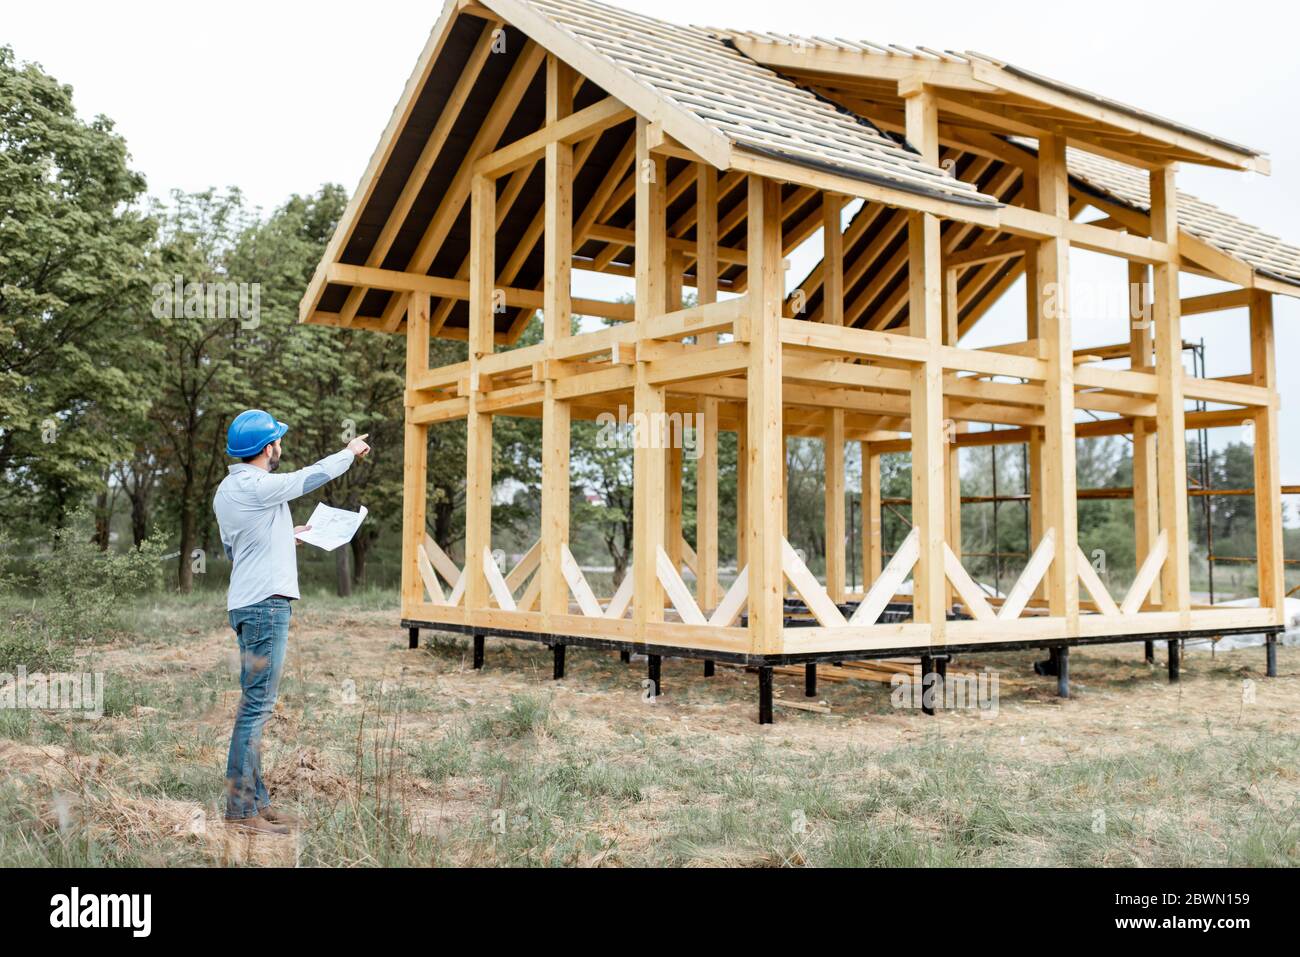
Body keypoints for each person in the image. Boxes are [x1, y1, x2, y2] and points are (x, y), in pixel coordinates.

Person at [213, 409, 370, 834]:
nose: (281, 446)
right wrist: (349, 452)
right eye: (278, 440)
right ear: (268, 448)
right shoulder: (260, 483)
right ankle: (241, 812)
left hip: (246, 604)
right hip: (266, 606)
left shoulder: (229, 490)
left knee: (254, 706)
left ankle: (257, 802)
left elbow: (238, 549)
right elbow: (308, 477)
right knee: (256, 709)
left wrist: (288, 535)